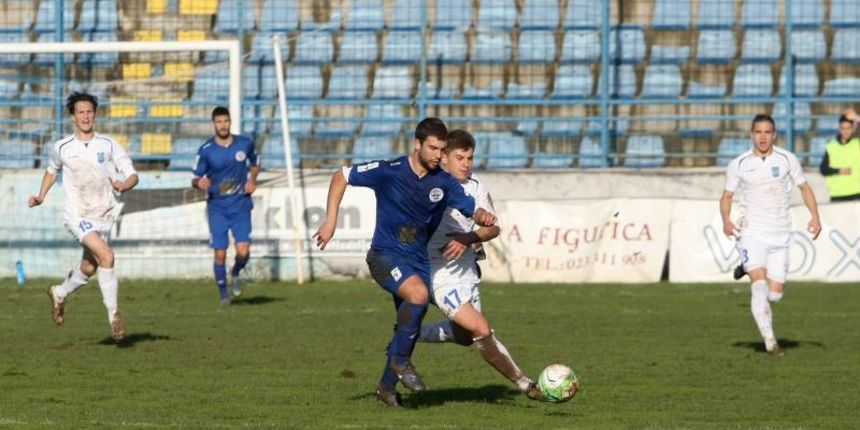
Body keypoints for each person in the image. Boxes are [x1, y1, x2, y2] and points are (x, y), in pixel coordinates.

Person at [313, 118, 497, 408]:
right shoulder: (390, 171)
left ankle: (386, 389)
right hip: (385, 255)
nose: (439, 155)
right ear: (417, 145)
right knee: (419, 297)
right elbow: (341, 175)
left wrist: (482, 216)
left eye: (442, 149)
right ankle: (400, 361)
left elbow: (470, 207)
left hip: (417, 261)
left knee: (408, 323)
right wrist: (331, 221)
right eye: (433, 148)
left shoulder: (444, 182)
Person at [419, 129, 558, 401]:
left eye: (470, 158)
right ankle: (526, 384)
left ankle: (411, 333)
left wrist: (471, 234)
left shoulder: (478, 188)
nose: (466, 164)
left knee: (464, 336)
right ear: (444, 158)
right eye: (460, 157)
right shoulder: (430, 187)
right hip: (439, 274)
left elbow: (493, 228)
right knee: (482, 330)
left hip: (467, 273)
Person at [29, 91, 138, 342]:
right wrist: (41, 195)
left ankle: (59, 292)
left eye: (89, 111)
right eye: (81, 112)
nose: (86, 116)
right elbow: (51, 171)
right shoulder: (62, 147)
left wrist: (125, 184)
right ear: (73, 116)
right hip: (77, 214)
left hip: (104, 213)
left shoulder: (109, 145)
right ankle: (114, 317)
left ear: (95, 114)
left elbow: (132, 173)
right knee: (107, 255)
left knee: (90, 266)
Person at [720, 114, 822, 356]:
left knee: (774, 295)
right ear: (751, 134)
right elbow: (726, 196)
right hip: (752, 232)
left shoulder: (787, 159)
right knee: (759, 286)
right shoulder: (739, 163)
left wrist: (815, 217)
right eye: (758, 132)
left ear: (774, 135)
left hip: (780, 234)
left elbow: (804, 188)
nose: (763, 137)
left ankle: (745, 267)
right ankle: (771, 343)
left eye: (767, 132)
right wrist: (726, 220)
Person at [192, 107, 260, 306]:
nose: (223, 125)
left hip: (240, 204)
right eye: (219, 122)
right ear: (214, 124)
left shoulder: (244, 144)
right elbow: (194, 178)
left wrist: (252, 179)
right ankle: (223, 295)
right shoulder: (206, 150)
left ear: (230, 122)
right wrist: (200, 183)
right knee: (220, 252)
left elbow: (255, 164)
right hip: (218, 207)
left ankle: (236, 272)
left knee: (243, 252)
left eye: (226, 121)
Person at [819, 114, 860, 201]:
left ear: (853, 129)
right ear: (839, 129)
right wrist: (839, 170)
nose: (845, 131)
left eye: (848, 128)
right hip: (837, 194)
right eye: (843, 128)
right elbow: (823, 169)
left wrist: (857, 118)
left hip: (856, 193)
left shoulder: (857, 144)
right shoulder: (831, 147)